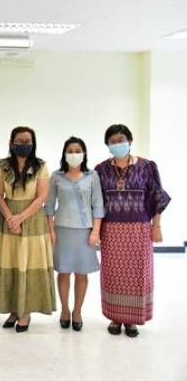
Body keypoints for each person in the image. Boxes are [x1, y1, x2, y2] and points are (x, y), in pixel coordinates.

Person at [95, 124, 170, 338]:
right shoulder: (101, 169)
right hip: (111, 231)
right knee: (113, 275)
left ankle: (131, 320)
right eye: (112, 141)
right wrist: (96, 230)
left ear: (129, 141)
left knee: (137, 274)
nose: (117, 144)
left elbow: (158, 197)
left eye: (121, 139)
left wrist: (156, 226)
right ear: (107, 145)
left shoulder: (147, 166)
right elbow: (97, 203)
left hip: (139, 230)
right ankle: (115, 317)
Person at [0, 126, 56, 332]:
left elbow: (42, 197)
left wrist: (20, 218)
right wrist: (11, 218)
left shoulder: (41, 167)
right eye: (19, 141)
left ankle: (25, 312)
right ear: (11, 143)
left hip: (33, 221)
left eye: (28, 141)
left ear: (33, 144)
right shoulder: (1, 167)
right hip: (7, 220)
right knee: (11, 263)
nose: (24, 144)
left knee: (29, 264)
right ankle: (13, 309)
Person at [45, 137, 104, 331]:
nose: (74, 154)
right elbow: (49, 206)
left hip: (85, 231)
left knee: (81, 272)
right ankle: (64, 309)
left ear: (84, 153)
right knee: (63, 271)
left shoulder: (92, 176)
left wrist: (95, 231)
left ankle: (77, 311)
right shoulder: (56, 176)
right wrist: (50, 230)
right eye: (70, 151)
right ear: (64, 154)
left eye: (78, 150)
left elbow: (98, 205)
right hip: (62, 230)